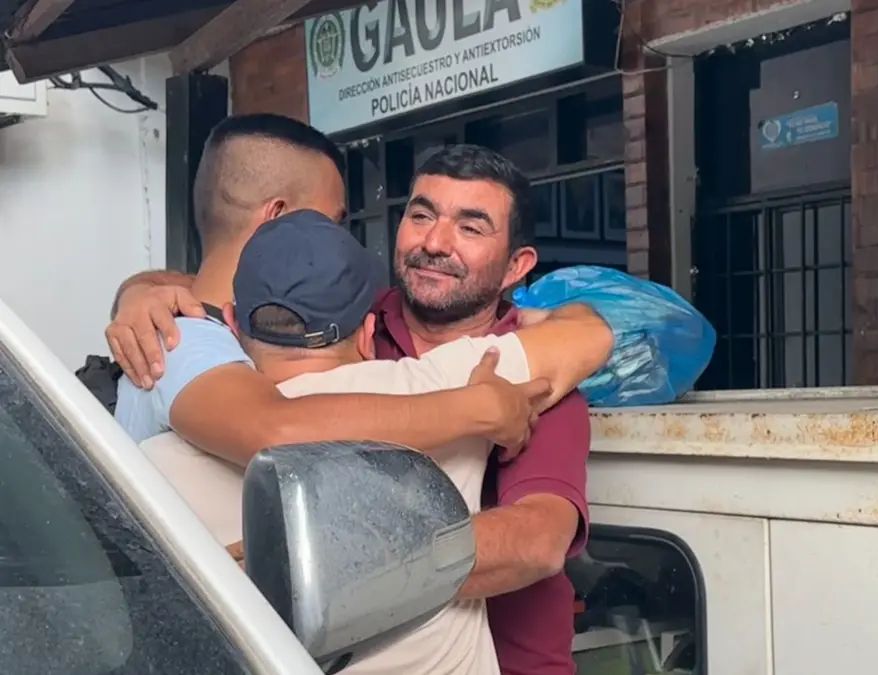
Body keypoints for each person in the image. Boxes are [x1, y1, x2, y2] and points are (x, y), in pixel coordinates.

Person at [109, 143, 610, 674]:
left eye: (470, 227)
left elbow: (535, 540)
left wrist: (307, 568)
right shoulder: (354, 316)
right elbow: (265, 292)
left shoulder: (532, 375)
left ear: (517, 266)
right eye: (421, 216)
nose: (435, 243)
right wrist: (142, 295)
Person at [111, 115, 543, 469]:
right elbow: (275, 430)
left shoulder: (199, 326)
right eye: (331, 222)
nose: (336, 241)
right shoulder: (178, 341)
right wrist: (475, 409)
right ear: (279, 218)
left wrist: (140, 288)